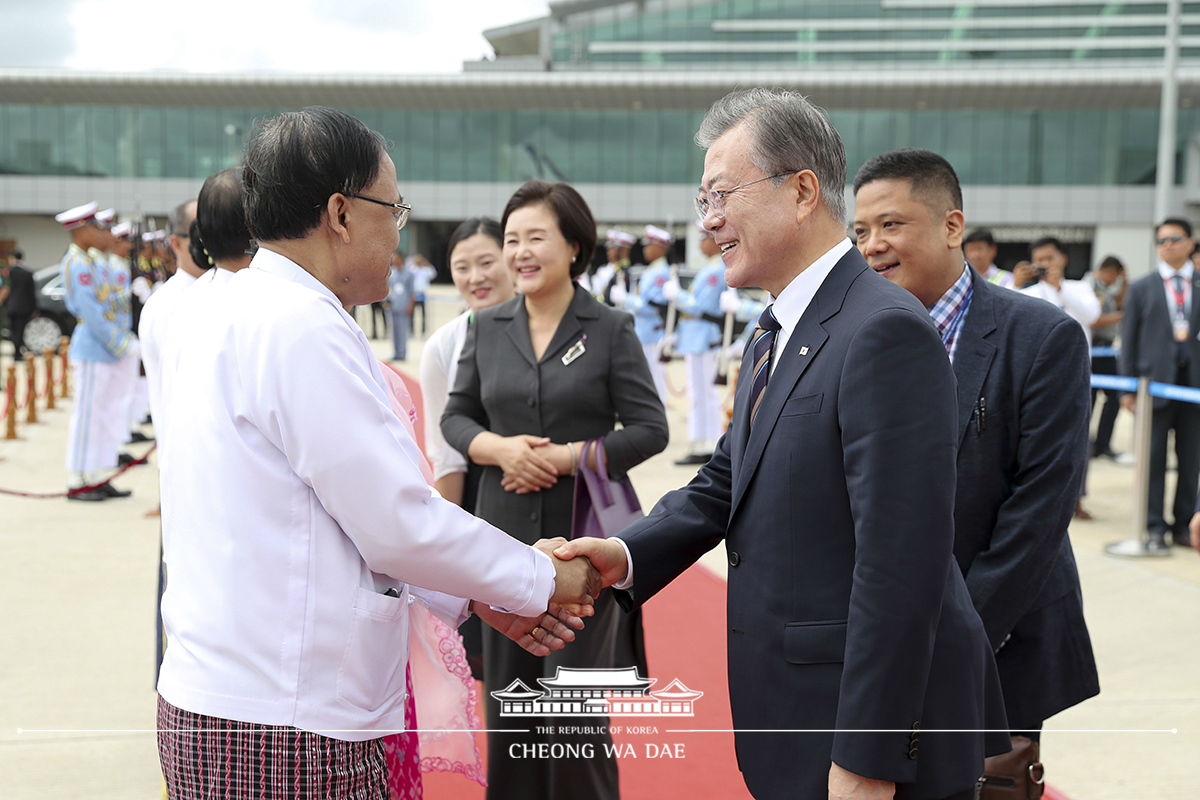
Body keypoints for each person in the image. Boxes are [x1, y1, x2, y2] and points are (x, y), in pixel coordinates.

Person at [558, 89, 1008, 800]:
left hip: (860, 739)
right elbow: (727, 480)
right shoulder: (781, 331)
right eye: (703, 199)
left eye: (721, 194)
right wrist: (623, 554)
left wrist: (868, 758)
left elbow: (902, 566)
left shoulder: (882, 330)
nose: (708, 222)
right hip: (795, 717)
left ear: (802, 191)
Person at [154, 107, 599, 799]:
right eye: (393, 209)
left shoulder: (233, 308)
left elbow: (339, 515)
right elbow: (395, 523)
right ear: (340, 211)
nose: (397, 231)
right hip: (288, 726)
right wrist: (539, 580)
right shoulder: (299, 325)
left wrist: (484, 593)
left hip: (235, 695)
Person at [853, 148, 1099, 795]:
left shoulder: (1042, 337)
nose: (872, 246)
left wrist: (953, 640)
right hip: (879, 636)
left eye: (891, 225)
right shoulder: (858, 340)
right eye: (860, 231)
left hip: (999, 637)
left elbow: (1039, 510)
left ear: (952, 226)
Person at [442, 180, 669, 800]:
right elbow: (456, 418)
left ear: (573, 245)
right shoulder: (485, 328)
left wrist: (569, 457)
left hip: (584, 544)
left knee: (573, 709)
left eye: (535, 237)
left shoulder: (610, 327)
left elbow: (652, 429)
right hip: (501, 533)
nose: (519, 252)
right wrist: (501, 450)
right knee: (510, 703)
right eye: (512, 239)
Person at [419, 216, 517, 679]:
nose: (475, 277)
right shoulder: (445, 345)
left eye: (486, 262)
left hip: (556, 499)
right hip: (484, 507)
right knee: (497, 671)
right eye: (462, 267)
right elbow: (446, 454)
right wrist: (447, 557)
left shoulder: (554, 327)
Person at [1120, 218, 1200, 551]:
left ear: (1191, 243)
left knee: (1191, 460)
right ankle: (1154, 526)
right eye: (1161, 240)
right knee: (1152, 459)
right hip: (1153, 388)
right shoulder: (1141, 287)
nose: (1167, 245)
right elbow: (1129, 339)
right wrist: (1127, 388)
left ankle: (1183, 524)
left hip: (1193, 388)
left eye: (1175, 238)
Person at [58, 202, 135, 501]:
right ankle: (77, 479)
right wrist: (119, 343)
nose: (105, 234)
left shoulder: (92, 262)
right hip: (92, 348)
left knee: (103, 415)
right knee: (87, 416)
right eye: (98, 228)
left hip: (104, 348)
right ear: (83, 231)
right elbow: (91, 313)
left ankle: (98, 473)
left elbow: (111, 306)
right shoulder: (77, 264)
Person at [665, 221, 727, 464]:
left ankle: (709, 443)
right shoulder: (708, 269)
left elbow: (699, 306)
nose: (701, 244)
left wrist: (677, 295)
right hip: (695, 337)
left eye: (704, 238)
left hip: (704, 338)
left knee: (705, 394)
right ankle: (700, 441)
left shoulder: (715, 270)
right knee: (697, 393)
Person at [619, 225, 674, 405]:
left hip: (652, 332)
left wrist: (625, 299)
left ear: (660, 247)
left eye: (650, 245)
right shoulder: (652, 270)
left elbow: (650, 306)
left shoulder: (660, 272)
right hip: (644, 331)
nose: (645, 249)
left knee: (656, 380)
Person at [1088, 256, 1127, 460]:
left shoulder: (1105, 288)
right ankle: (1095, 444)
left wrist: (1125, 278)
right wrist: (1122, 316)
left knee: (1106, 397)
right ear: (1108, 272)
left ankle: (1099, 444)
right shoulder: (1091, 287)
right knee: (1104, 396)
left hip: (1105, 349)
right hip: (1096, 348)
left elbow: (1120, 299)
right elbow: (1093, 319)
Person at [4, 250, 37, 358]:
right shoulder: (27, 273)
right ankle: (17, 353)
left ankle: (16, 350)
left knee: (13, 329)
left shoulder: (8, 273)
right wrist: (34, 308)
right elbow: (31, 292)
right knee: (20, 329)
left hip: (11, 306)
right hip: (23, 306)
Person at [592, 229, 635, 305]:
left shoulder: (627, 271)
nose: (610, 252)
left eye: (613, 249)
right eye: (609, 249)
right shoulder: (602, 270)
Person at [387, 250, 415, 360]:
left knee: (402, 330)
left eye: (395, 258)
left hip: (403, 305)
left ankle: (402, 353)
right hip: (393, 305)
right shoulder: (392, 273)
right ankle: (396, 352)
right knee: (394, 331)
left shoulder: (408, 273)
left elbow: (412, 292)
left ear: (401, 259)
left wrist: (410, 305)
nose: (393, 260)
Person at [410, 253, 436, 336]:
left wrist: (427, 264)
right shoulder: (413, 269)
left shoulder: (425, 269)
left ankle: (423, 331)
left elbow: (433, 274)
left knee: (423, 313)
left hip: (422, 294)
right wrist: (414, 264)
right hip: (414, 293)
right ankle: (412, 331)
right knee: (412, 314)